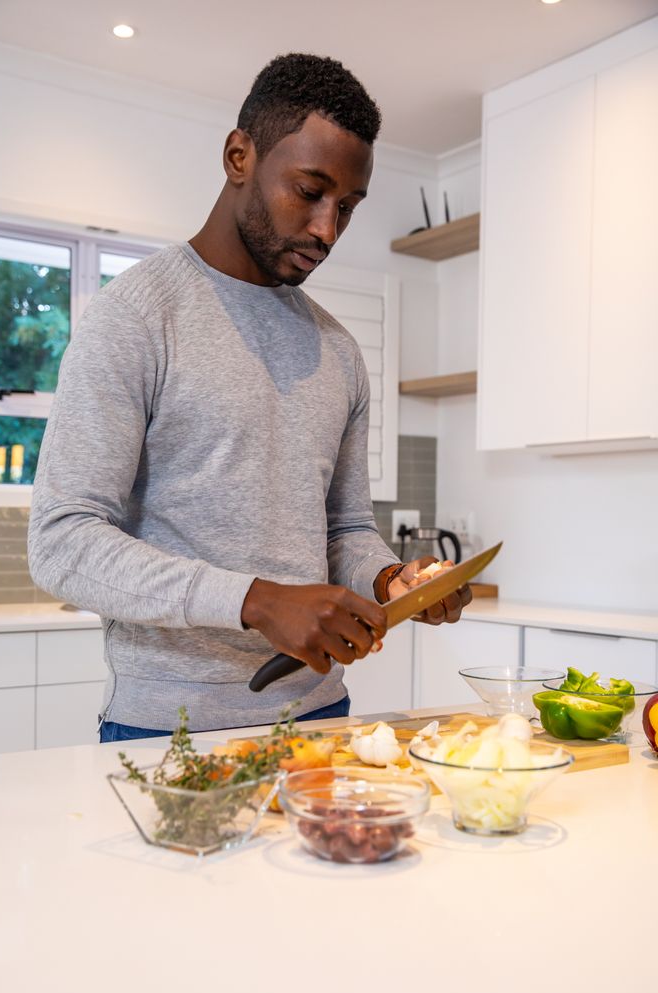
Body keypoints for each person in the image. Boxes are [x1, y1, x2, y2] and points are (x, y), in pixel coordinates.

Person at [28, 53, 471, 740]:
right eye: (310, 191)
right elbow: (63, 543)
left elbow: (345, 530)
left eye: (347, 208)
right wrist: (257, 601)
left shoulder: (339, 351)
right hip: (170, 730)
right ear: (240, 156)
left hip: (322, 716)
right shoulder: (137, 317)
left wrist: (392, 582)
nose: (327, 230)